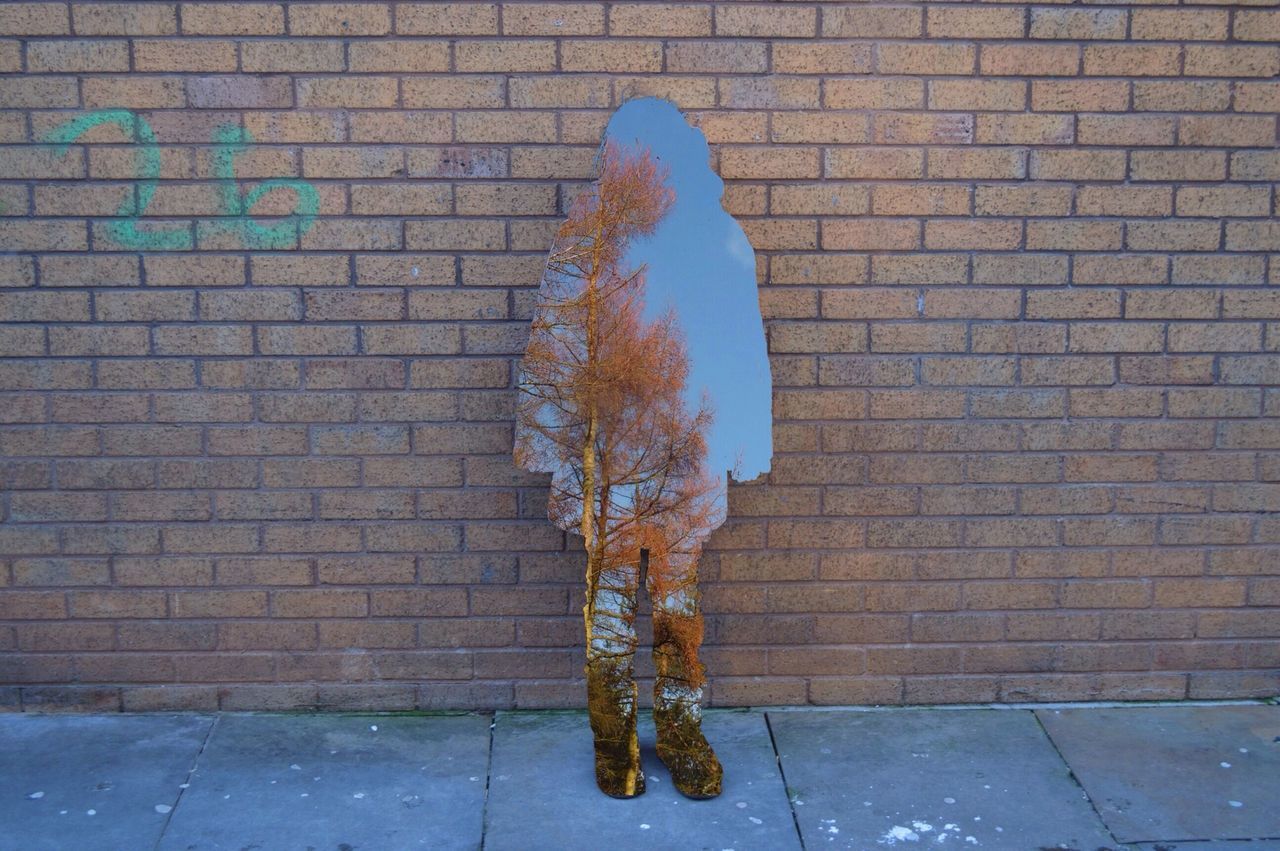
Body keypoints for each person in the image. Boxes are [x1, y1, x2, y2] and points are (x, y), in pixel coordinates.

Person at [514, 99, 772, 800]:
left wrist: (745, 441)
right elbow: (556, 348)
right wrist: (554, 449)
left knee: (676, 612)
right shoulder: (589, 240)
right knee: (610, 609)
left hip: (686, 455)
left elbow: (741, 347)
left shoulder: (718, 238)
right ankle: (614, 745)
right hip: (610, 463)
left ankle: (683, 736)